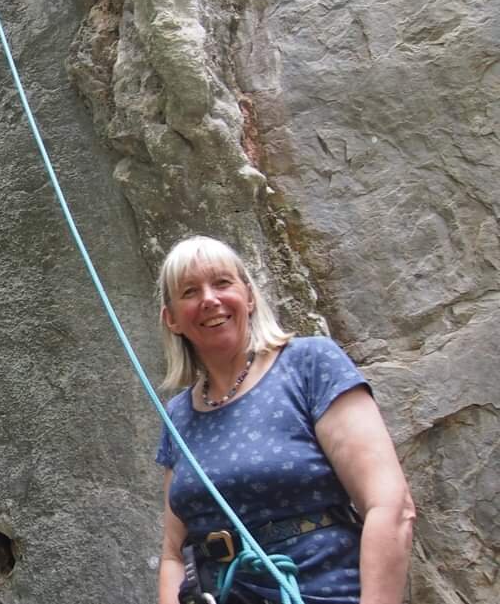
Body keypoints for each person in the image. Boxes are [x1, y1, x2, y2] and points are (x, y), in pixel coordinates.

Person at [153, 236, 415, 604]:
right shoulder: (178, 415)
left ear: (249, 295)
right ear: (172, 319)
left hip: (323, 591)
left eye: (222, 283)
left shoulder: (309, 365)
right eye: (190, 291)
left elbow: (390, 506)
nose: (209, 299)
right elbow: (173, 554)